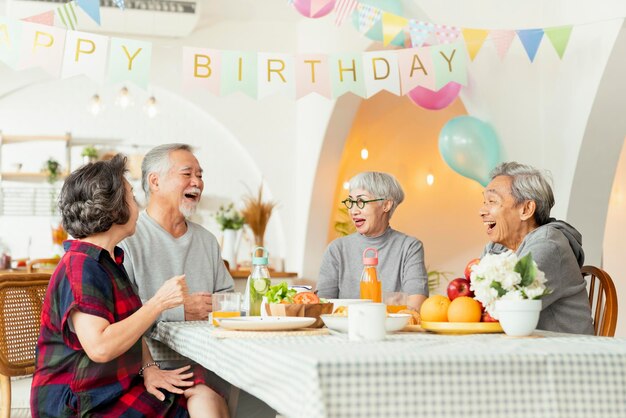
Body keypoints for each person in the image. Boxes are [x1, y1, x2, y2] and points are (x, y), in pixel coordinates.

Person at [31, 154, 229, 417]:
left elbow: (131, 326)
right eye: (132, 197)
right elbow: (100, 347)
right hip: (80, 400)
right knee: (194, 404)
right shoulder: (80, 266)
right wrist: (159, 303)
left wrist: (149, 369)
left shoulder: (109, 260)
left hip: (111, 386)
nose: (137, 205)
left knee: (205, 390)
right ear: (113, 208)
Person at [120, 143, 234, 323]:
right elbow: (120, 309)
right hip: (147, 352)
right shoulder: (126, 239)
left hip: (206, 350)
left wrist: (217, 306)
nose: (197, 182)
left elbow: (227, 299)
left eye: (199, 175)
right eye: (187, 174)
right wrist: (179, 312)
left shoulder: (208, 241)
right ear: (155, 181)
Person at [479, 161, 594, 334]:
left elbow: (505, 308)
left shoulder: (549, 246)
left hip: (565, 353)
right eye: (484, 201)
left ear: (526, 209)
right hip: (525, 348)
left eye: (492, 201)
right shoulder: (497, 248)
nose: (482, 211)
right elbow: (476, 302)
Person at [317, 171, 429, 310]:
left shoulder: (409, 247)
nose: (353, 211)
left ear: (386, 205)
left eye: (361, 202)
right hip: (346, 330)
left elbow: (416, 304)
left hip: (392, 330)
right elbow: (322, 306)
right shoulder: (337, 249)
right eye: (351, 202)